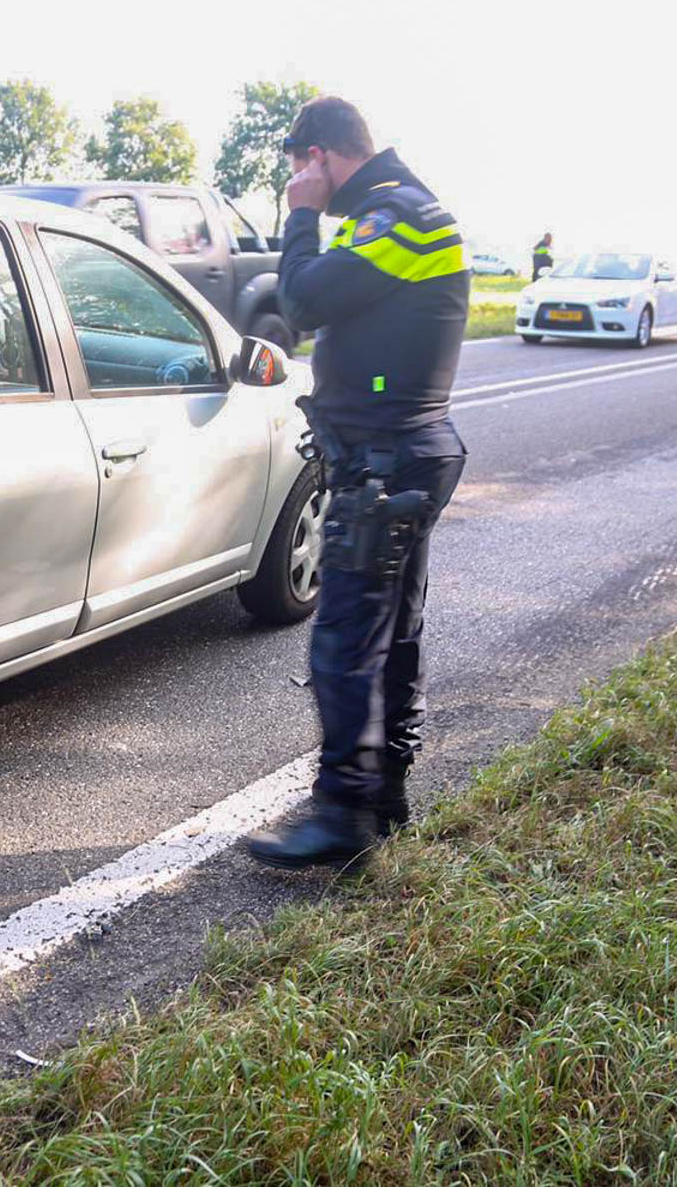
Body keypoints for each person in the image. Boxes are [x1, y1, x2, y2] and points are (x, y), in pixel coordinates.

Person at [243, 96, 469, 870]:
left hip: (385, 462)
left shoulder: (395, 215)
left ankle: (343, 812)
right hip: (399, 456)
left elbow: (302, 300)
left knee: (344, 639)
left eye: (299, 168)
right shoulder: (404, 210)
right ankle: (388, 794)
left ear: (319, 156)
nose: (297, 182)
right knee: (394, 631)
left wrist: (301, 215)